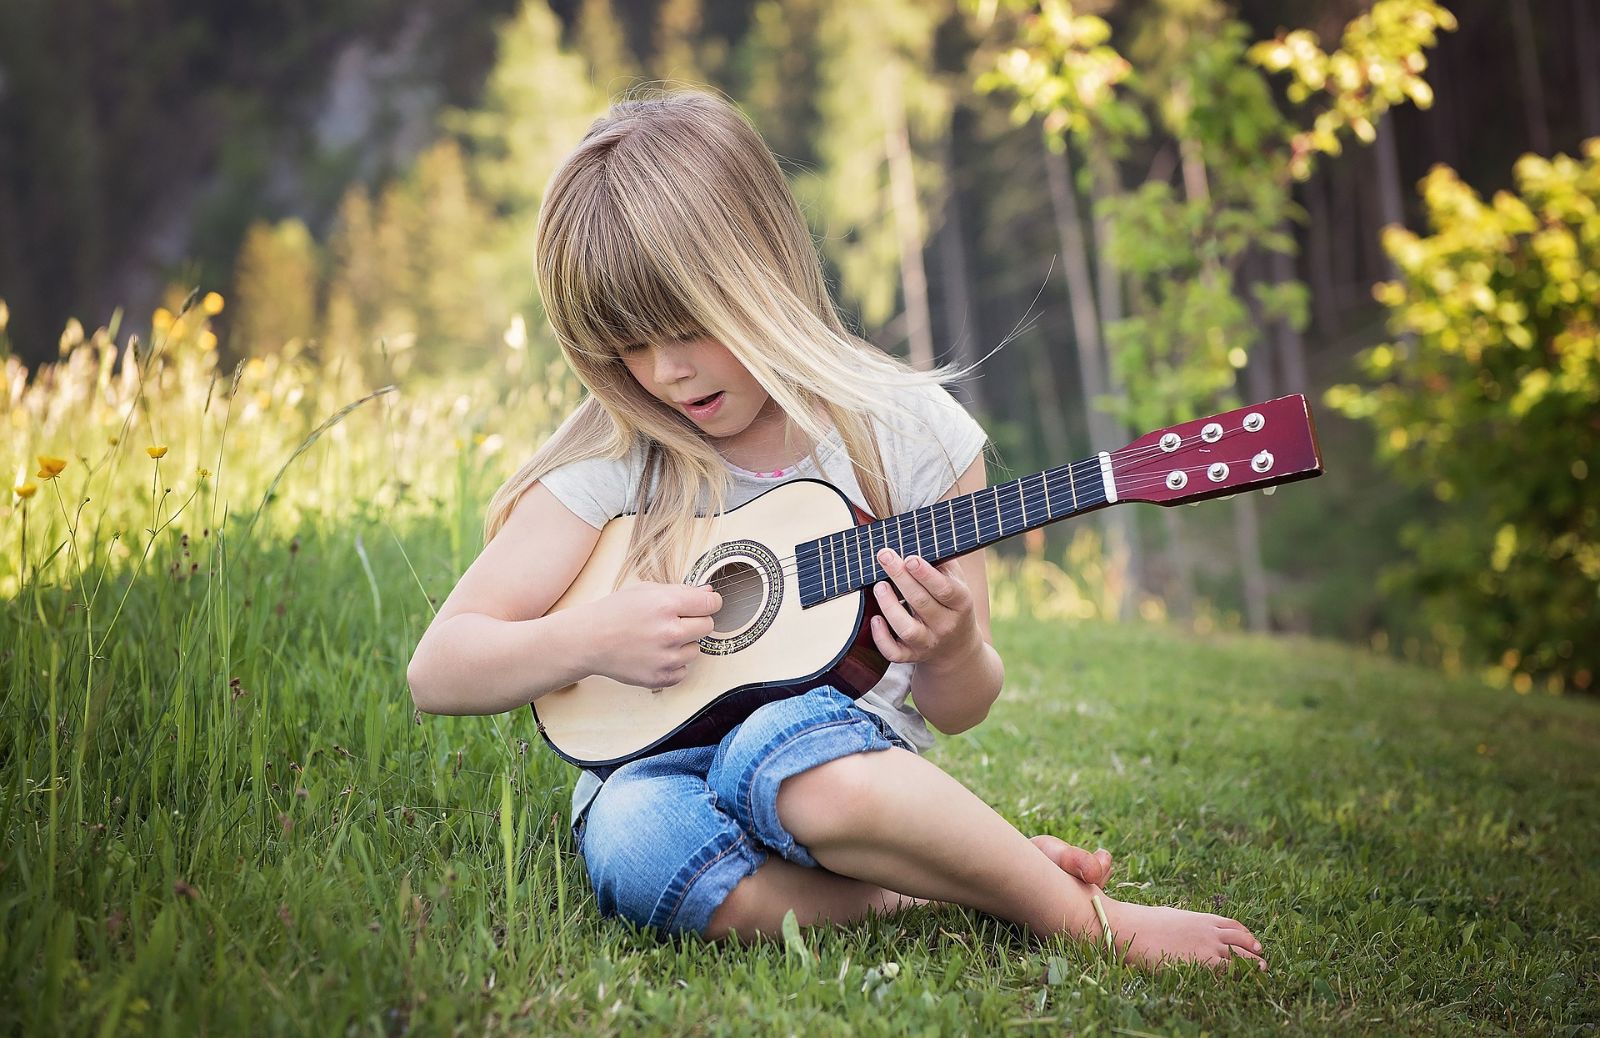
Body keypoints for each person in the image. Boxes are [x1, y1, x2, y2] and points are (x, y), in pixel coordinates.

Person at [406, 89, 1266, 970]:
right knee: (629, 843)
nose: (665, 372)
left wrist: (951, 649)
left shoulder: (908, 432)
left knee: (782, 751)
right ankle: (939, 882)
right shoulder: (619, 455)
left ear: (762, 270)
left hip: (837, 765)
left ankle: (1086, 918)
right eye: (628, 346)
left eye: (689, 327)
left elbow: (960, 708)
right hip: (651, 767)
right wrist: (587, 638)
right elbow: (439, 669)